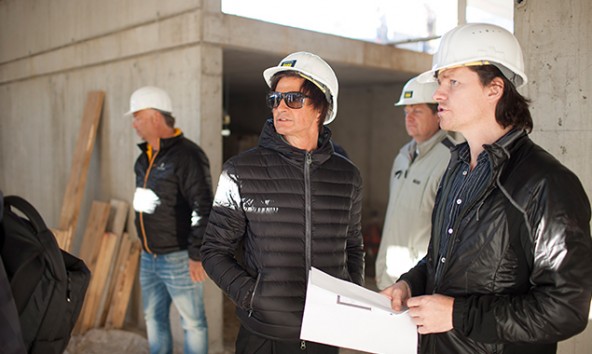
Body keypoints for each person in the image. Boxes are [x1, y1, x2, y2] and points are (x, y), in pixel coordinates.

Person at [381, 23, 592, 354]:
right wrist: (411, 283)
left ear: (494, 89)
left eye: (453, 82)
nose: (438, 93)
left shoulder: (546, 182)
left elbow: (566, 309)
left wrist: (458, 314)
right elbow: (441, 258)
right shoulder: (457, 167)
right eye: (440, 82)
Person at [201, 51, 364, 354]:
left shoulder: (347, 176)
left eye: (293, 99)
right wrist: (253, 297)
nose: (280, 107)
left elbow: (353, 246)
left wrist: (350, 292)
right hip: (264, 335)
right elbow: (213, 251)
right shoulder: (240, 171)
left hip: (325, 332)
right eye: (275, 99)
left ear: (321, 108)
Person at [127, 86, 213, 354]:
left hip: (178, 258)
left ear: (155, 117)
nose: (134, 124)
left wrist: (197, 254)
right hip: (148, 257)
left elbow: (203, 205)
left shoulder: (188, 156)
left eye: (137, 117)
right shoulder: (144, 159)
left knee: (193, 324)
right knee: (154, 319)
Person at [375, 77, 454, 290]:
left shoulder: (451, 159)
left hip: (419, 284)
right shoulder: (402, 156)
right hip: (389, 278)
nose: (409, 118)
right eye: (406, 111)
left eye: (417, 111)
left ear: (438, 114)